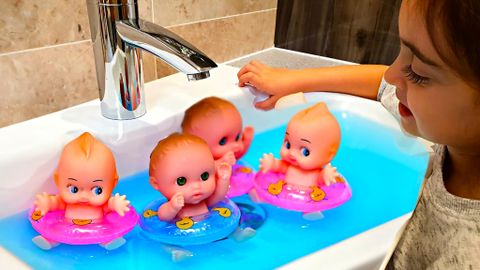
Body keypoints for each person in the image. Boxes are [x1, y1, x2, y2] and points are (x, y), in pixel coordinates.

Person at [238, 0, 480, 268]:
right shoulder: (454, 131)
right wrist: (293, 79)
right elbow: (380, 83)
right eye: (401, 54)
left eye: (418, 73)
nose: (391, 73)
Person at [32, 132, 132, 250]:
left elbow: (109, 206)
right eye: (74, 189)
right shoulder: (65, 202)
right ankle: (49, 240)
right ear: (58, 180)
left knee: (106, 233)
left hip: (98, 229)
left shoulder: (102, 204)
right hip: (66, 228)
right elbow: (56, 203)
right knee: (55, 230)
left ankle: (108, 241)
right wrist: (47, 203)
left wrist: (116, 204)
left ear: (113, 183)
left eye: (97, 190)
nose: (84, 196)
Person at [149, 133, 232, 220]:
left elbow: (219, 196)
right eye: (181, 181)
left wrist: (223, 179)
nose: (196, 186)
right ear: (156, 183)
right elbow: (163, 217)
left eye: (204, 176)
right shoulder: (174, 206)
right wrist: (172, 207)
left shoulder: (205, 201)